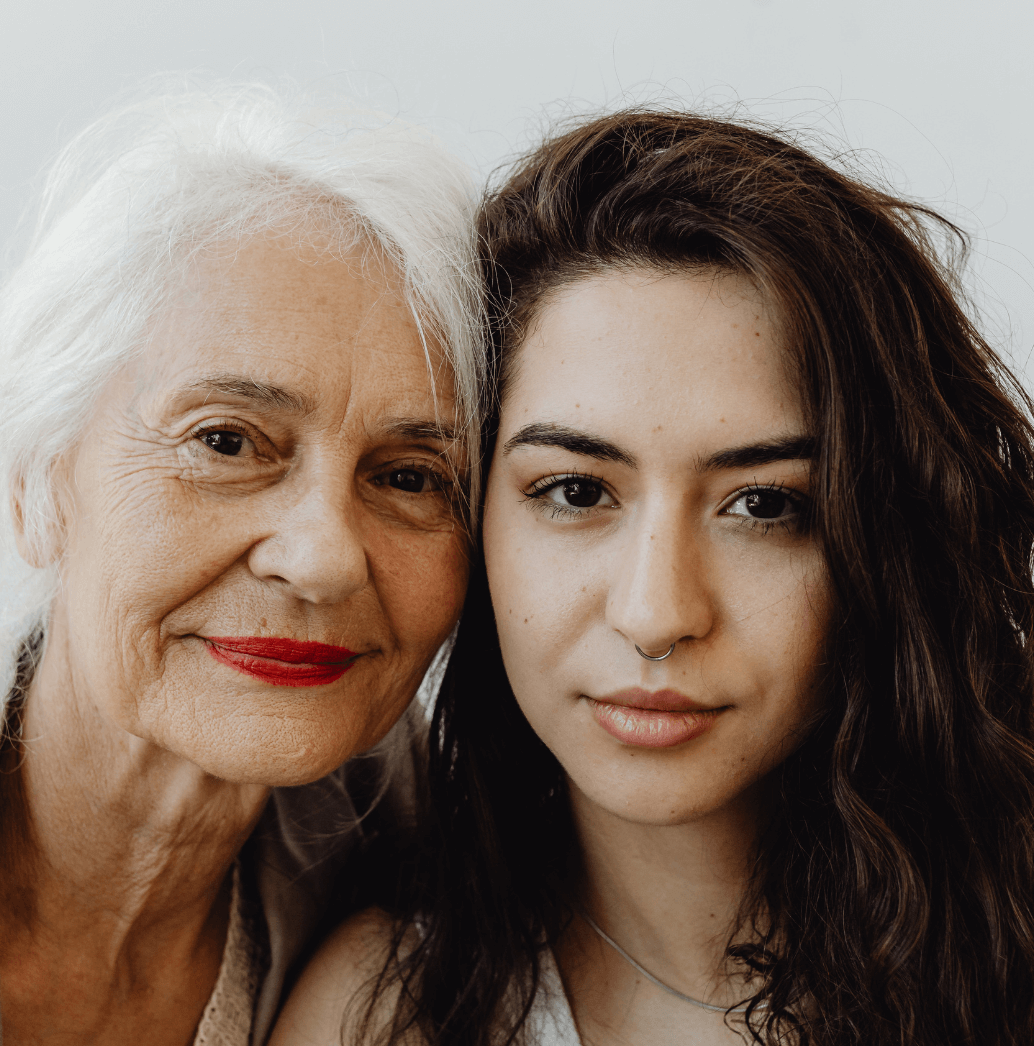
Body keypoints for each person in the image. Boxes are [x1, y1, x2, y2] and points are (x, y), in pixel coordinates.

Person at [271, 110, 1034, 1045]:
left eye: (764, 506)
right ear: (470, 520)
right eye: (576, 490)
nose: (655, 614)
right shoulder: (386, 1017)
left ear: (887, 534)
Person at [0, 80, 486, 1046]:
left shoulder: (443, 886)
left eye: (410, 475)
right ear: (37, 485)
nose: (323, 558)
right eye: (228, 442)